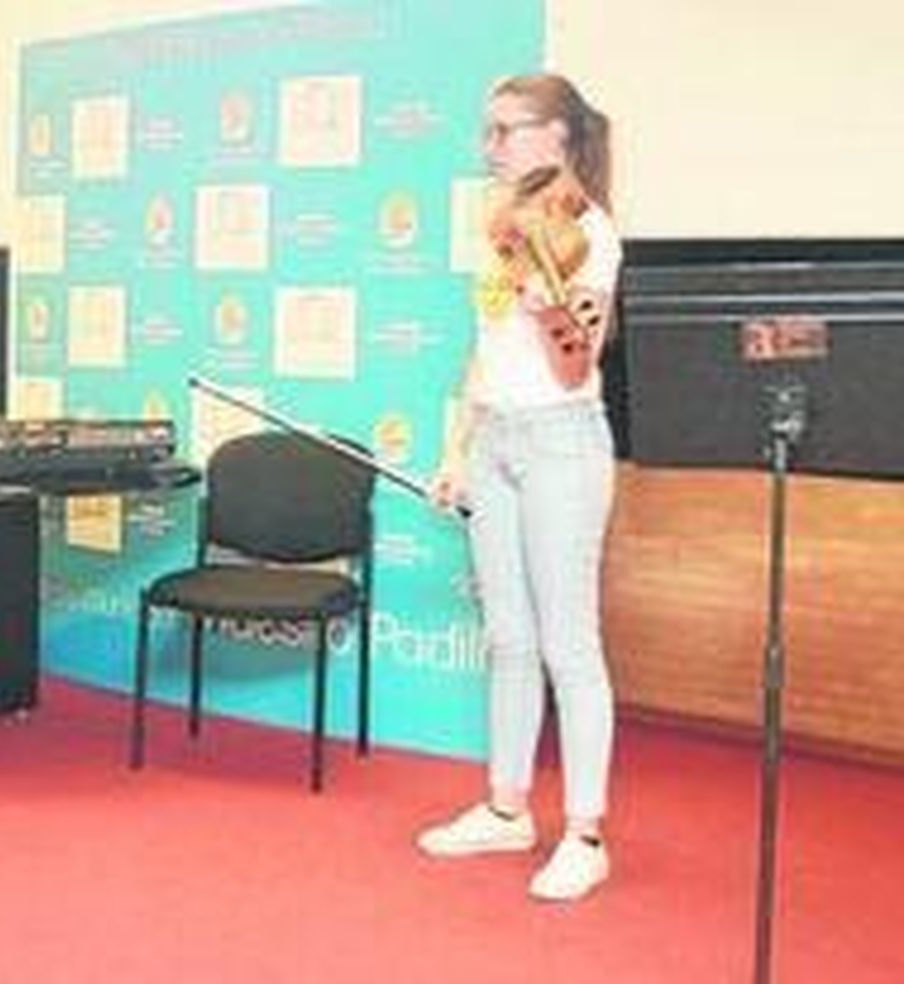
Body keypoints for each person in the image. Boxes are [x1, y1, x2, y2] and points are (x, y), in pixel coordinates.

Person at [416, 74, 622, 902]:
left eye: (505, 131)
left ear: (558, 136)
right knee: (507, 637)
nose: (489, 147)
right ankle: (507, 810)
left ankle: (586, 833)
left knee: (570, 644)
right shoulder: (498, 227)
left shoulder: (588, 229)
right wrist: (455, 450)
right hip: (496, 438)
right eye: (488, 131)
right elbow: (481, 351)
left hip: (561, 444)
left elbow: (578, 362)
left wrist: (548, 303)